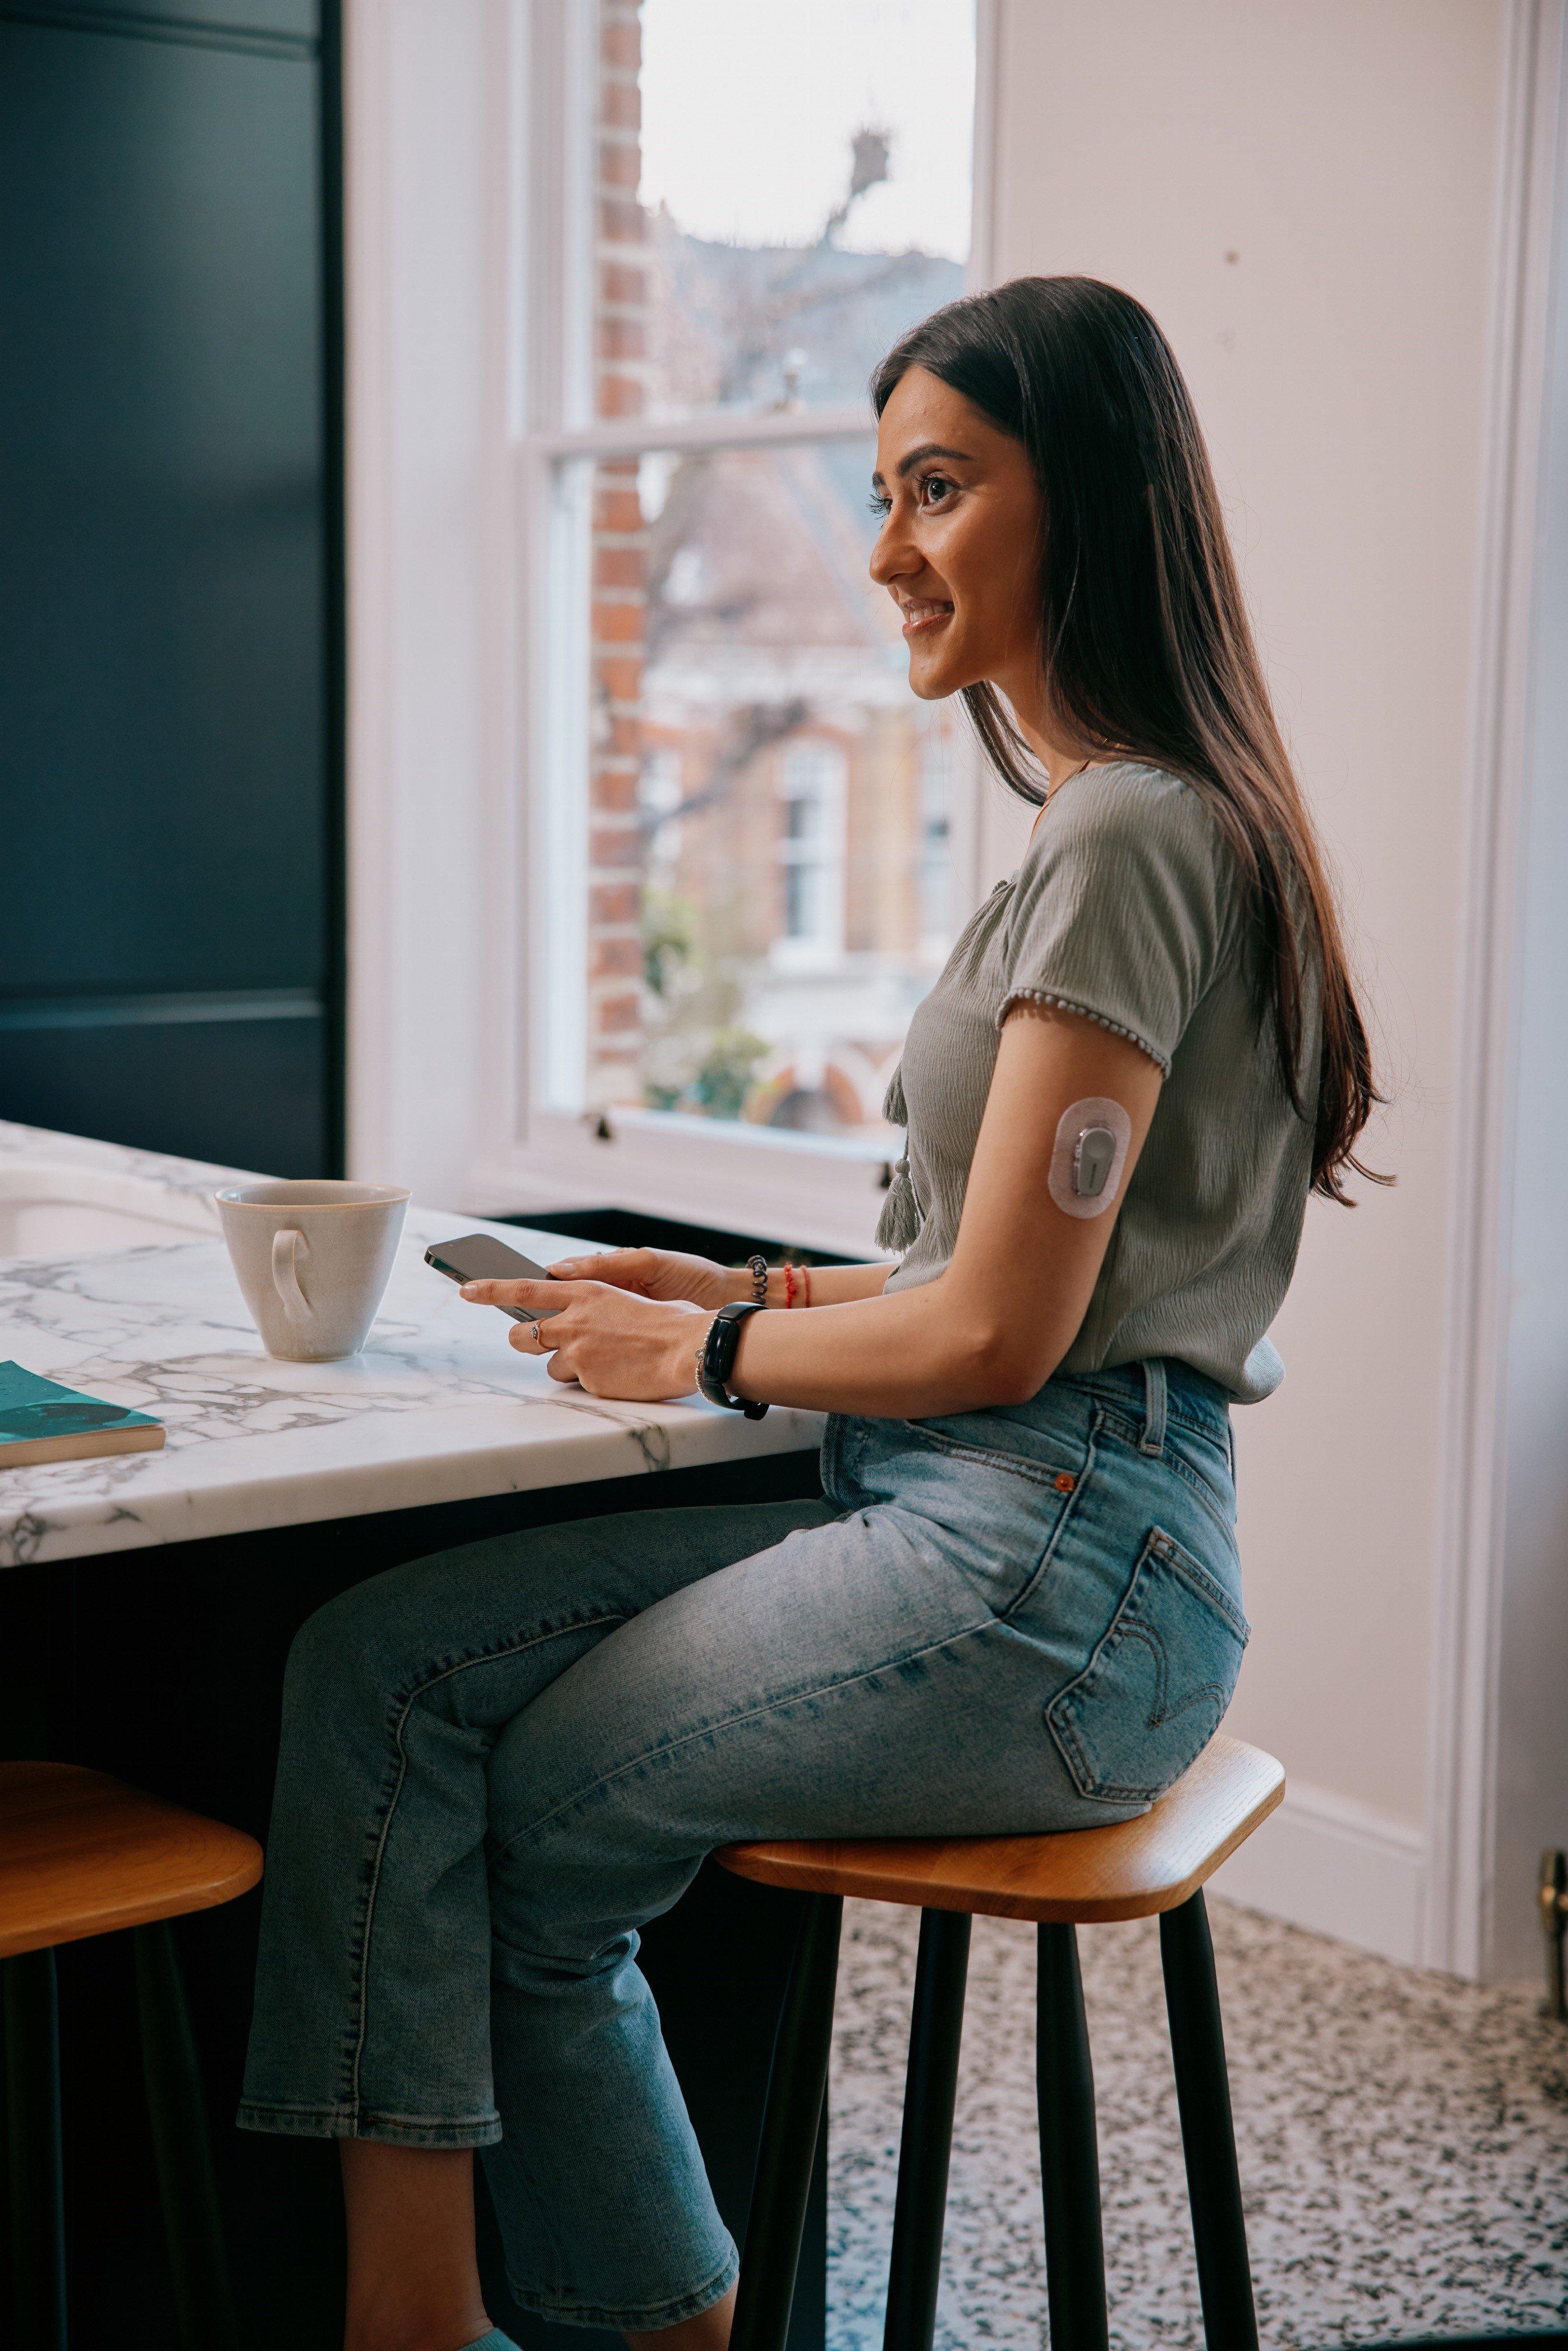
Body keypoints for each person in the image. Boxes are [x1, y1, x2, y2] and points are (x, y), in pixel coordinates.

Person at [238, 275, 1383, 2351]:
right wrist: (735, 1282)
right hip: (971, 1516)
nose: (882, 553)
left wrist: (699, 1353)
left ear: (1093, 498)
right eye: (880, 494)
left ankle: (614, 2327)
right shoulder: (1121, 824)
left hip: (1055, 1565)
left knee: (514, 1829)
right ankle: (406, 2319)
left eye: (936, 489)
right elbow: (982, 1284)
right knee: (377, 1665)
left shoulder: (1129, 833)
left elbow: (998, 1348)